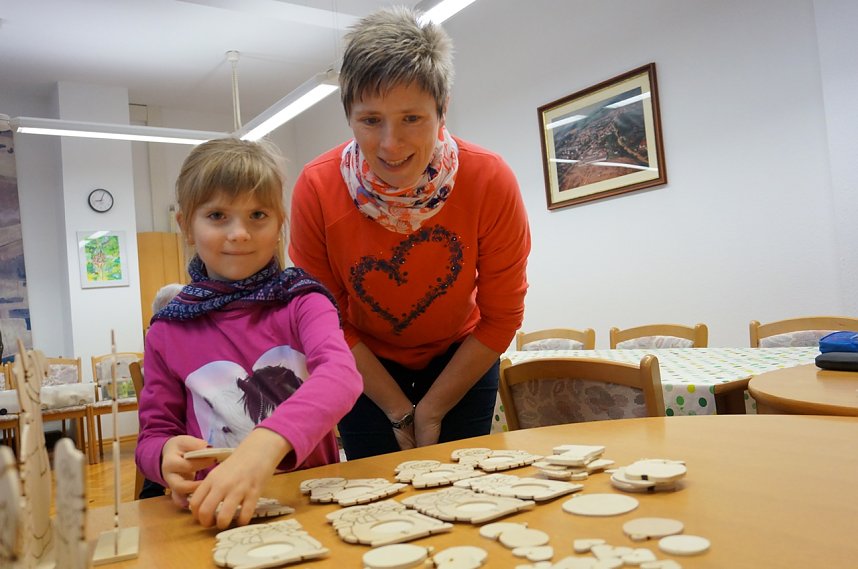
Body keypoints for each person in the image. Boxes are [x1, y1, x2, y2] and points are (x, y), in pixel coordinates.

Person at [288, 7, 530, 460]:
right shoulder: (317, 189)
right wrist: (399, 410)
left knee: (467, 489)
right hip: (363, 365)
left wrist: (431, 410)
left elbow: (501, 316)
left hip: (464, 357)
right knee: (373, 496)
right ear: (348, 116)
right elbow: (325, 320)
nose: (390, 144)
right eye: (370, 120)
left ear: (442, 110)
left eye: (412, 119)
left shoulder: (489, 180)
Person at [136, 138, 362, 529]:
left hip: (310, 505)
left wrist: (264, 445)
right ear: (186, 225)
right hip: (216, 514)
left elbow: (340, 377)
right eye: (218, 215)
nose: (239, 233)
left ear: (279, 225)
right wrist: (162, 456)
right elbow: (155, 433)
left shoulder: (303, 300)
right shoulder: (169, 329)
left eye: (257, 215)